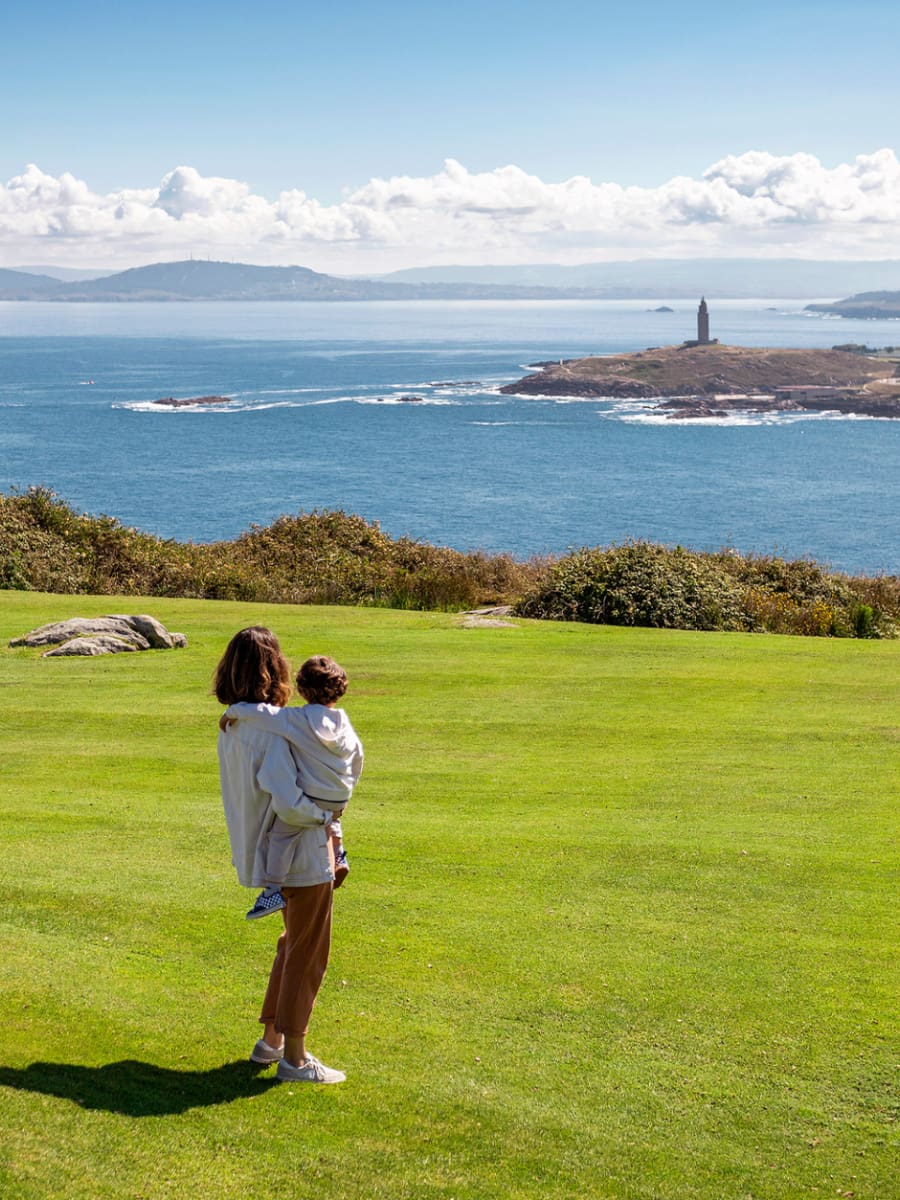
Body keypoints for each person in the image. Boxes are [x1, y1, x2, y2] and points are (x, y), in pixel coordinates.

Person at [213, 626, 346, 1085]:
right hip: (300, 852)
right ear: (275, 669)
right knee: (307, 953)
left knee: (292, 945)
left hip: (267, 851)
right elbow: (289, 797)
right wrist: (326, 816)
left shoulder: (235, 722)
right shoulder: (276, 729)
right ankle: (294, 1056)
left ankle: (270, 1041)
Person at [224, 654, 363, 920]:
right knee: (332, 821)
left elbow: (261, 714)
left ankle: (272, 889)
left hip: (313, 796)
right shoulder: (344, 724)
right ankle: (339, 855)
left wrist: (233, 711)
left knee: (282, 836)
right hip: (339, 795)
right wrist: (346, 789)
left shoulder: (296, 720)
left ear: (301, 688)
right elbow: (358, 756)